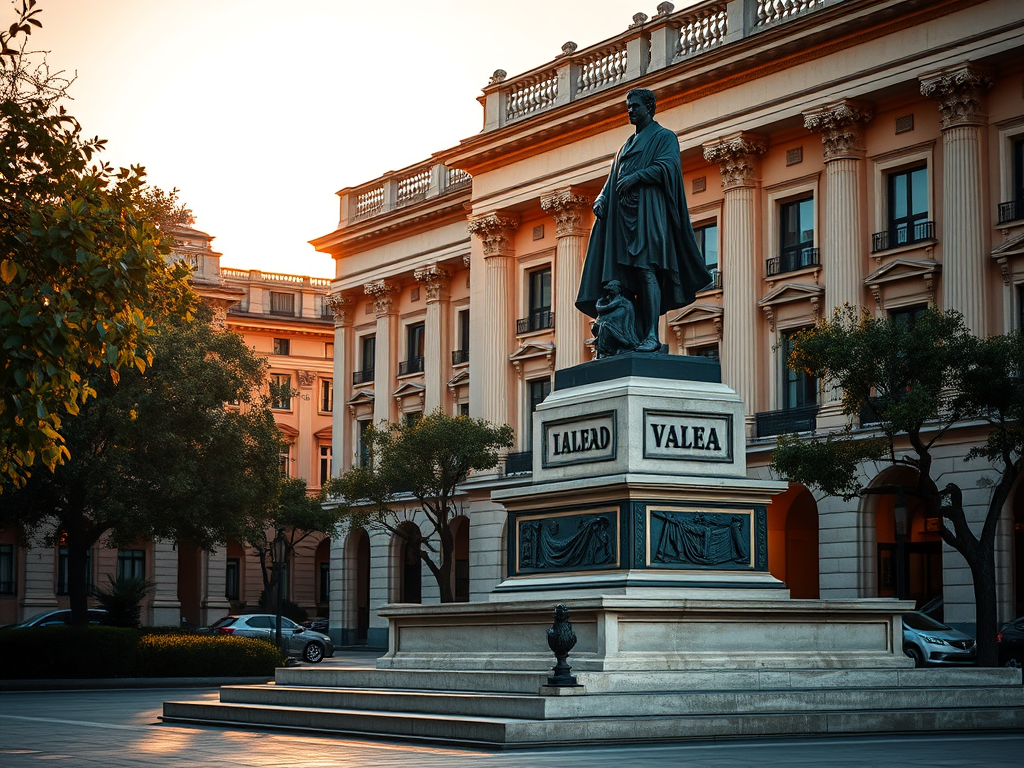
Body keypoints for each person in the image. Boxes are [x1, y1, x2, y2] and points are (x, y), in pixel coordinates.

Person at [575, 88, 712, 353]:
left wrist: (638, 177)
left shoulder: (664, 137)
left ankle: (651, 335)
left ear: (649, 107)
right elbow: (612, 177)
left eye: (635, 106)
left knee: (648, 272)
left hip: (649, 216)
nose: (630, 110)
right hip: (623, 221)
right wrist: (603, 197)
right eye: (628, 106)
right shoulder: (625, 146)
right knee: (624, 280)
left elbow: (669, 166)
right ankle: (628, 335)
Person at [591, 280, 640, 358]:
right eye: (609, 288)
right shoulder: (605, 302)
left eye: (613, 287)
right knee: (599, 325)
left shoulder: (625, 303)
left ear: (619, 289)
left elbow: (620, 316)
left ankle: (606, 352)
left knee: (605, 326)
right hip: (610, 325)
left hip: (620, 330)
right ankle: (603, 352)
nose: (611, 290)